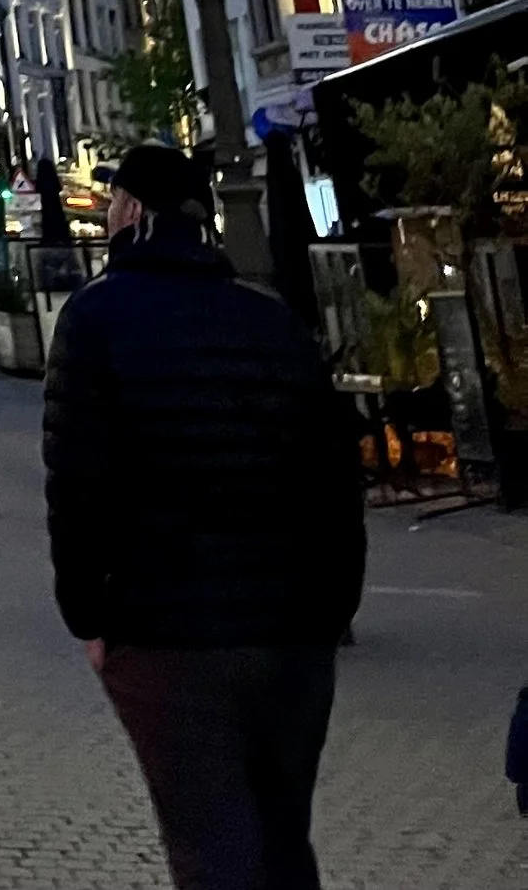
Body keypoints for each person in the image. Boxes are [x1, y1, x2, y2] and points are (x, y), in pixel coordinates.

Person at [43, 140, 364, 890]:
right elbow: (333, 478)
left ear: (131, 211)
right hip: (291, 631)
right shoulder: (272, 319)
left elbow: (78, 485)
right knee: (282, 840)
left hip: (167, 631)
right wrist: (332, 609)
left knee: (211, 845)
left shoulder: (95, 318)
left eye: (114, 199)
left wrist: (87, 615)